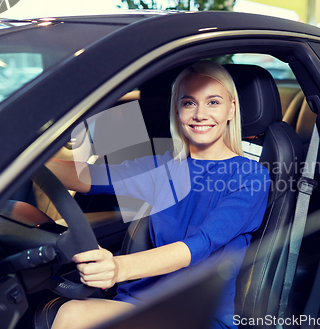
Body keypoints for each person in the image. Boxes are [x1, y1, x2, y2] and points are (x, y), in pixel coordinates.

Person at [48, 60, 270, 329]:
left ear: (231, 109)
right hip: (138, 303)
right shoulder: (164, 167)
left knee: (73, 315)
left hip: (195, 314)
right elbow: (89, 176)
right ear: (177, 110)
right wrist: (17, 161)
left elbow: (199, 245)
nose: (200, 114)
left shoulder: (251, 175)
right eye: (189, 103)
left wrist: (117, 268)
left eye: (213, 102)